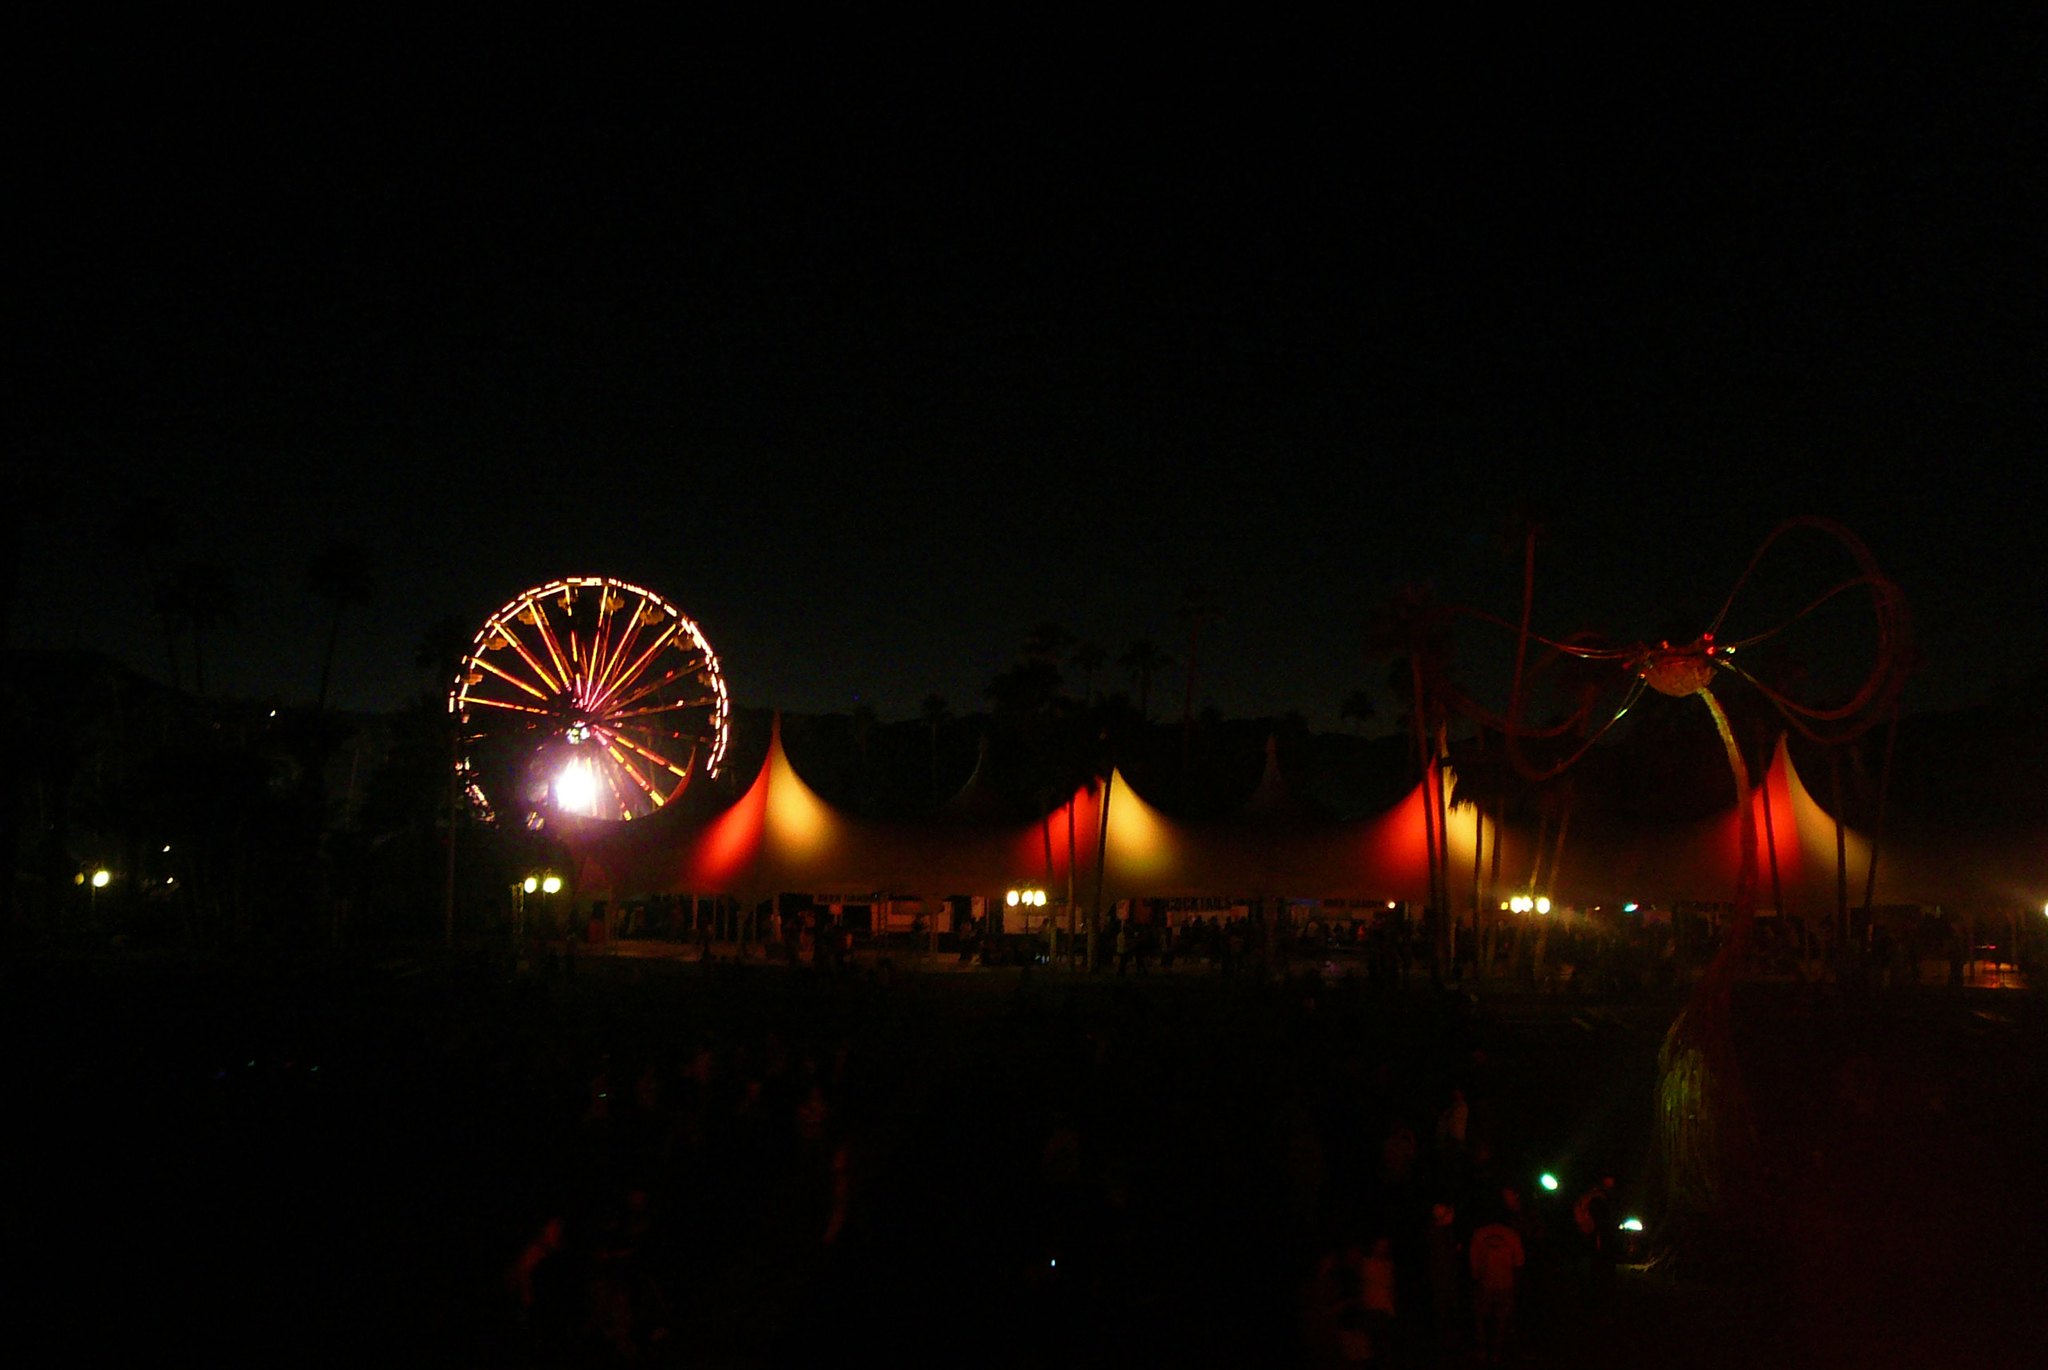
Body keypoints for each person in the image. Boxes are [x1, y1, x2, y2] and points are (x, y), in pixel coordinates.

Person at [1468, 1205, 1526, 1364]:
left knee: (1481, 1318)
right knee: (1501, 1319)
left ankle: (1482, 1350)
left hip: (1484, 1283)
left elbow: (1473, 1261)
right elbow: (1519, 1262)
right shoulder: (1512, 1235)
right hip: (1506, 1284)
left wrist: (1476, 1278)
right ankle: (1496, 1353)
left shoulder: (1479, 1234)